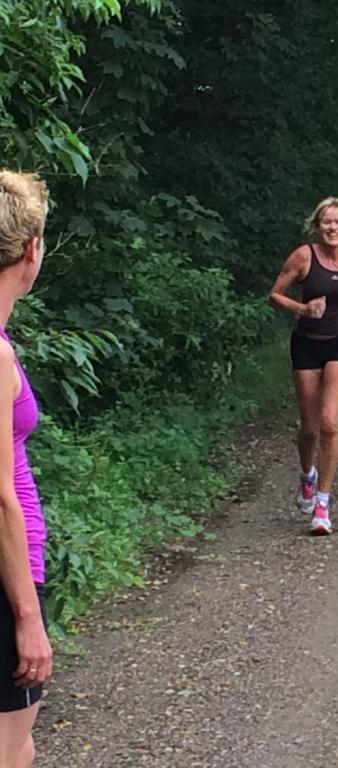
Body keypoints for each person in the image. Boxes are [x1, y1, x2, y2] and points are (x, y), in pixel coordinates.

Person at [269, 197, 338, 535]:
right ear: (317, 226)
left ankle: (323, 503)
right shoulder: (304, 256)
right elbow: (275, 293)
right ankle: (307, 474)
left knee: (330, 422)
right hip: (306, 343)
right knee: (310, 426)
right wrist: (301, 309)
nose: (333, 228)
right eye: (326, 222)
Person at [0, 170, 53, 767]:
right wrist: (27, 617)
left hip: (14, 569)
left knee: (23, 746)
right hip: (8, 578)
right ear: (30, 248)